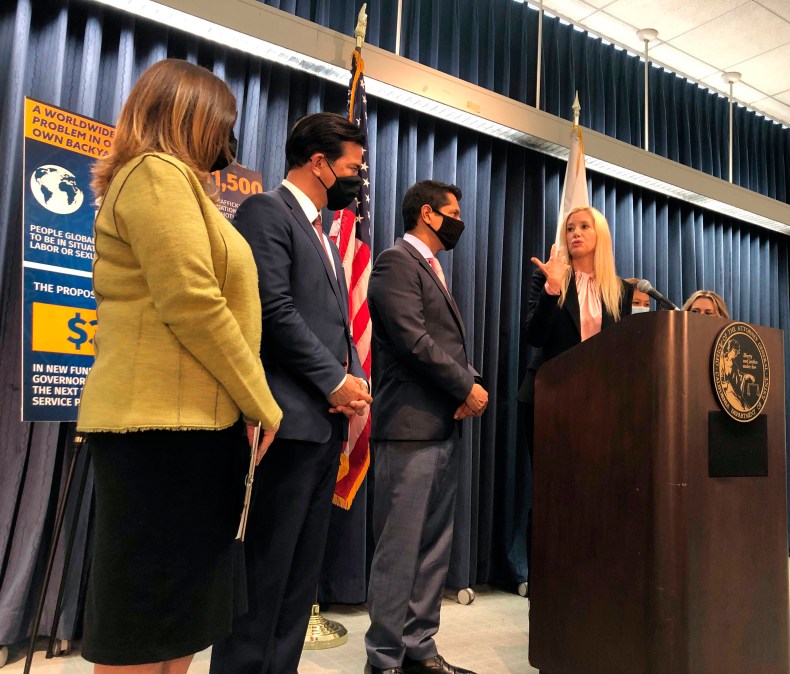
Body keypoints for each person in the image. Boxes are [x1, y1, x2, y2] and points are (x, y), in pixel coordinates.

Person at [77, 58, 282, 673]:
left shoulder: (181, 186)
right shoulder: (154, 173)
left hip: (193, 429)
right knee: (146, 622)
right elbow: (192, 301)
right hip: (160, 432)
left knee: (185, 615)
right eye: (224, 124)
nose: (228, 140)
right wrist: (262, 404)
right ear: (192, 117)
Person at [210, 112, 372, 673]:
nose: (360, 176)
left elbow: (327, 322)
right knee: (264, 573)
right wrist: (334, 378)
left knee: (299, 580)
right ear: (319, 163)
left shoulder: (323, 233)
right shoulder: (265, 211)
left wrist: (348, 381)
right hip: (282, 423)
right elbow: (272, 311)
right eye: (353, 166)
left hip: (321, 428)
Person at [365, 180, 487, 674]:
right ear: (428, 215)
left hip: (440, 427)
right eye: (453, 211)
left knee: (434, 546)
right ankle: (385, 658)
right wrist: (465, 387)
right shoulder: (397, 262)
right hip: (408, 429)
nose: (459, 220)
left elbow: (445, 346)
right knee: (400, 548)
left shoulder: (432, 268)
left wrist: (465, 386)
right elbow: (413, 340)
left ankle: (419, 648)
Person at [517, 206, 634, 582]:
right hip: (549, 401)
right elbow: (534, 336)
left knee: (597, 494)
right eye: (570, 228)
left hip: (601, 408)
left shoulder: (623, 290)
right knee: (553, 495)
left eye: (584, 227)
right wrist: (552, 288)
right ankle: (546, 592)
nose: (575, 234)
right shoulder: (550, 280)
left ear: (600, 235)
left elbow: (626, 352)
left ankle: (592, 585)